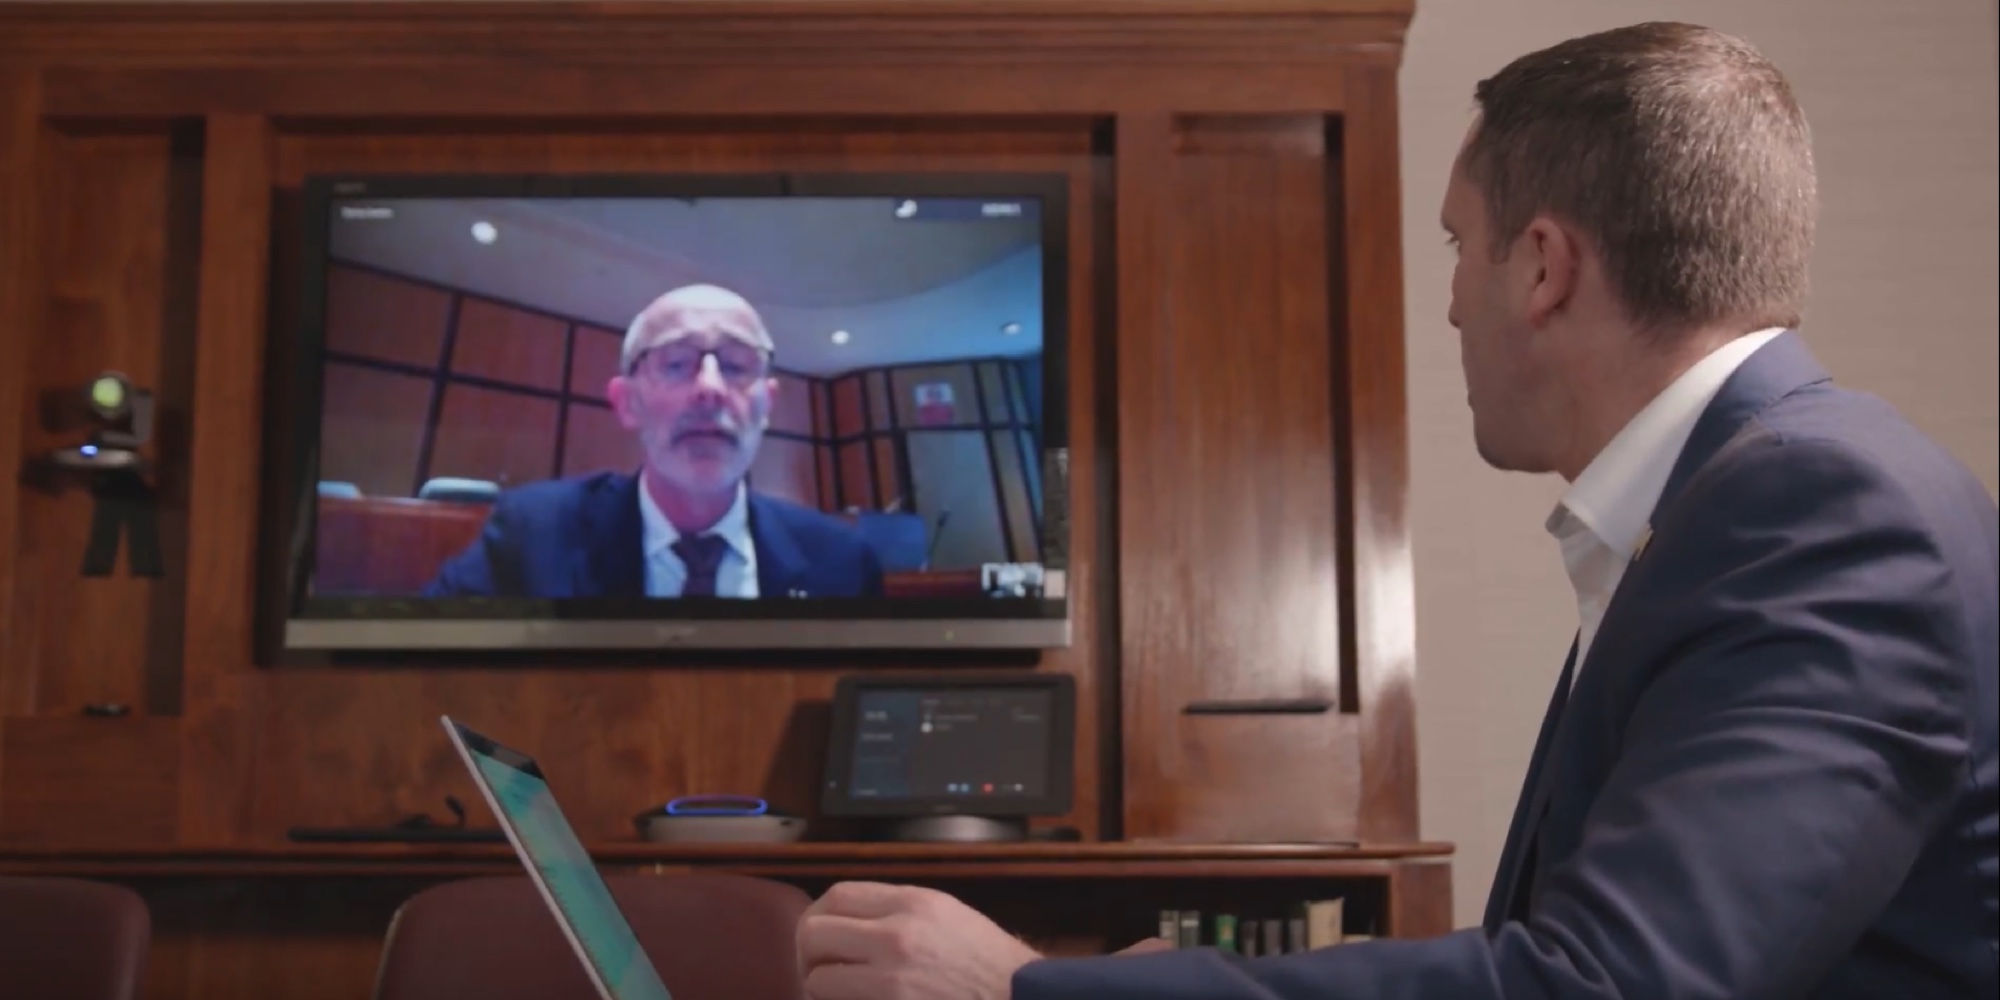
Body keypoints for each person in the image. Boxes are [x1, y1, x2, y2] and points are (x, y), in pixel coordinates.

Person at [792, 22, 1998, 1000]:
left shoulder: (1822, 508)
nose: (1450, 307)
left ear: (1541, 266)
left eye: (1453, 247)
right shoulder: (1747, 493)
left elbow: (1607, 981)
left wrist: (1022, 986)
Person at [423, 283, 884, 599]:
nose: (710, 387)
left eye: (737, 364)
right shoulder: (531, 535)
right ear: (627, 403)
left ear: (767, 404)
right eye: (677, 362)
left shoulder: (843, 562)